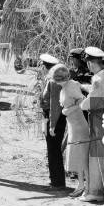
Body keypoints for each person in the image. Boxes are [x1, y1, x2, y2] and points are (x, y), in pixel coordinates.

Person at [80, 46, 104, 202]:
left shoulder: (98, 79)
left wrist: (81, 104)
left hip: (99, 120)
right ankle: (100, 191)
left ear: (91, 63)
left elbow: (90, 102)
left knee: (101, 157)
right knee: (100, 155)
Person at [51, 63, 89, 197]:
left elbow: (82, 101)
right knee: (77, 156)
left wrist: (67, 110)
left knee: (81, 156)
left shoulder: (71, 86)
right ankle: (81, 185)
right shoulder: (67, 86)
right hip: (73, 124)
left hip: (78, 124)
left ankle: (85, 186)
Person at [39, 53, 67, 191]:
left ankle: (57, 182)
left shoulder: (53, 82)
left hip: (55, 119)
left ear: (46, 67)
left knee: (53, 151)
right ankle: (56, 181)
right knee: (53, 150)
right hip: (55, 118)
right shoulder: (54, 79)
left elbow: (54, 106)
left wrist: (52, 125)